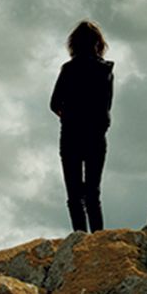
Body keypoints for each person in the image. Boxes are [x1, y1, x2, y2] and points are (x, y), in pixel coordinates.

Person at [50, 20, 114, 232]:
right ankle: (99, 240)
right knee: (93, 193)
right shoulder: (105, 71)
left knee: (74, 195)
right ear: (98, 44)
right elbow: (107, 105)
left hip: (71, 135)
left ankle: (80, 238)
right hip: (95, 136)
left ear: (74, 44)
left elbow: (53, 103)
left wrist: (67, 116)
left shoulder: (68, 70)